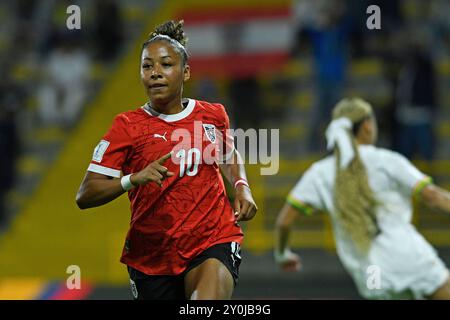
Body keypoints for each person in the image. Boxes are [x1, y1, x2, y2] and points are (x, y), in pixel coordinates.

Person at [76, 20, 257, 300]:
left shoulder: (213, 115)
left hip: (212, 240)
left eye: (165, 65)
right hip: (151, 257)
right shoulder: (127, 126)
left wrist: (242, 185)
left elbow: (228, 153)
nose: (156, 73)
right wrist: (132, 179)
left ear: (185, 72)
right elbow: (85, 194)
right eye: (147, 66)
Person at [274, 97, 450, 300]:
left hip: (370, 274)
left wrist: (282, 255)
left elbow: (284, 222)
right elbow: (433, 196)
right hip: (409, 258)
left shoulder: (319, 173)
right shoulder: (387, 160)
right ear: (367, 125)